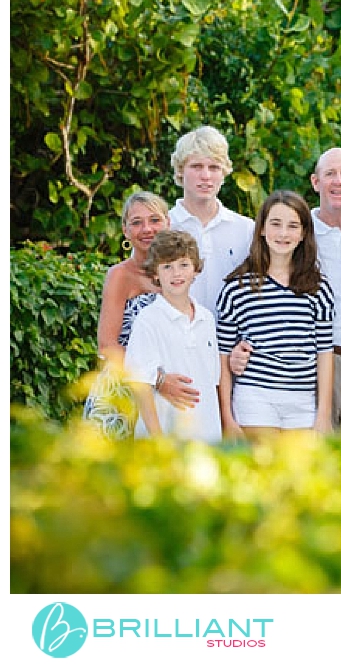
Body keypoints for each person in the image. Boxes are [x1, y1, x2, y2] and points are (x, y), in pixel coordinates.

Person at [228, 147, 341, 428]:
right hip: (309, 366)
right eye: (330, 174)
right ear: (315, 182)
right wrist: (237, 347)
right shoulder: (294, 230)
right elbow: (254, 290)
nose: (338, 181)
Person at [216, 191, 335, 440]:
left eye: (292, 226)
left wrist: (323, 414)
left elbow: (324, 354)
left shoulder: (318, 288)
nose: (283, 234)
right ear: (261, 229)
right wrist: (227, 415)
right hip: (255, 397)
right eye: (275, 224)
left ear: (303, 234)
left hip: (302, 401)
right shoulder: (237, 288)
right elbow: (223, 355)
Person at [83, 192, 199, 438]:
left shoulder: (180, 273)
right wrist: (157, 379)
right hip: (124, 392)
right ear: (125, 230)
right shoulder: (120, 276)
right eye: (136, 222)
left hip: (171, 393)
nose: (146, 228)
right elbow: (107, 345)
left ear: (168, 222)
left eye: (154, 220)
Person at [124, 229, 222, 443]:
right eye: (167, 267)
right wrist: (158, 439)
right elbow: (139, 382)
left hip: (206, 434)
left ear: (195, 270)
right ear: (155, 274)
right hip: (164, 438)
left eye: (183, 265)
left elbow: (211, 381)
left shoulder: (207, 319)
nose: (176, 274)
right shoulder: (148, 320)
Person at [169, 125, 254, 315]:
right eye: (196, 166)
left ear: (224, 173)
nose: (206, 176)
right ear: (181, 170)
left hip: (231, 342)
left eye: (214, 167)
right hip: (175, 339)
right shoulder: (163, 226)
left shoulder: (246, 229)